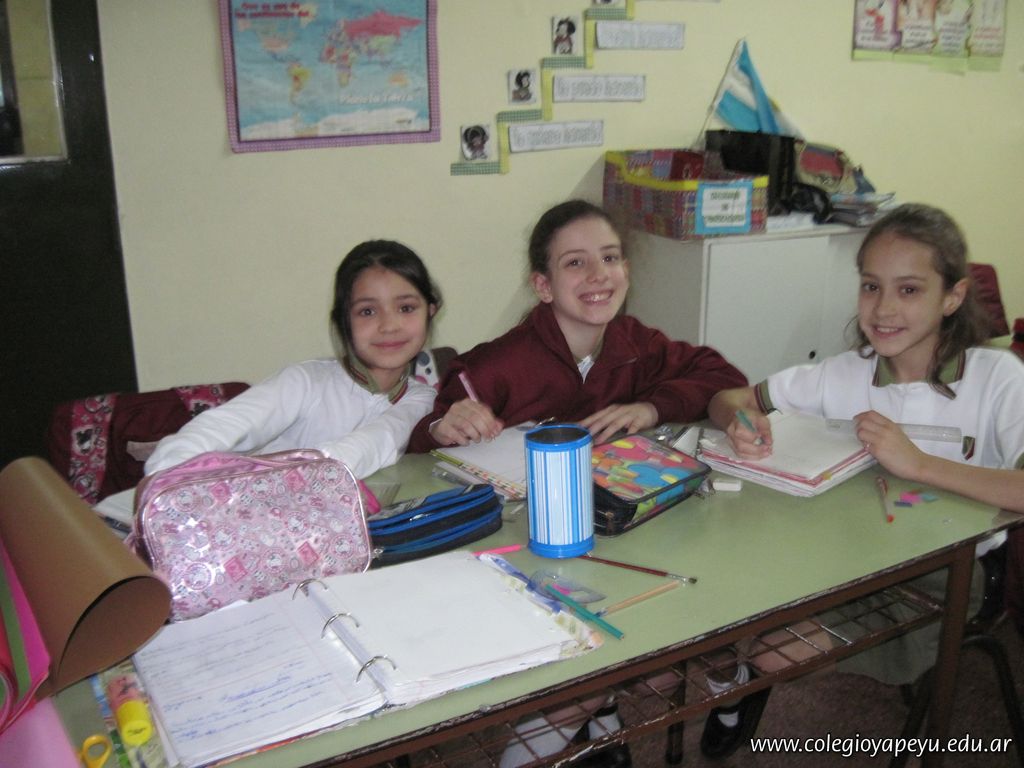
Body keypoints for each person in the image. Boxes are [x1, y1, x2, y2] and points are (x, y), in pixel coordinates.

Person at [408, 199, 747, 767]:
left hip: (627, 527)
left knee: (695, 612)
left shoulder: (635, 343)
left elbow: (721, 375)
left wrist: (650, 407)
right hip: (535, 544)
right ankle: (600, 710)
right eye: (575, 263)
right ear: (543, 285)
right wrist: (444, 425)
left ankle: (722, 689)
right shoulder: (498, 364)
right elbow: (422, 441)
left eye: (610, 258)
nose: (598, 275)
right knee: (590, 660)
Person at [706, 203, 1024, 754]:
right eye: (871, 286)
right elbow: (729, 397)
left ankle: (745, 679)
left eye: (909, 290)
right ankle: (735, 683)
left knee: (774, 651)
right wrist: (740, 421)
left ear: (952, 296)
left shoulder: (997, 377)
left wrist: (917, 464)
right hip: (846, 550)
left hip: (949, 573)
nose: (883, 309)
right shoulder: (845, 372)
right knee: (721, 594)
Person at [143, 240, 442, 481]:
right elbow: (215, 429)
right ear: (343, 321)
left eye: (406, 308)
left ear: (430, 311)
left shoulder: (423, 399)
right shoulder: (305, 382)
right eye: (367, 311)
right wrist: (166, 477)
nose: (389, 326)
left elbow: (375, 443)